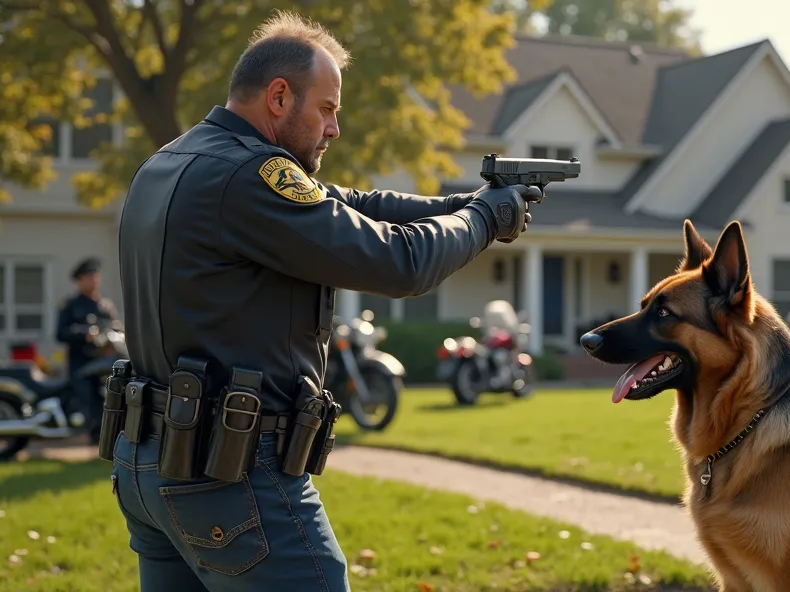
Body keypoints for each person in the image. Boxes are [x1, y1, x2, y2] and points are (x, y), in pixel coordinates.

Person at [107, 9, 542, 592]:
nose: (335, 128)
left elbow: (354, 204)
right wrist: (485, 220)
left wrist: (465, 203)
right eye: (328, 109)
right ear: (279, 97)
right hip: (231, 472)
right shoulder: (251, 177)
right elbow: (399, 262)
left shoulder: (169, 162)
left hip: (150, 462)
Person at [55, 257, 117, 441]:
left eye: (96, 276)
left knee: (107, 401)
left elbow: (117, 329)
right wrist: (84, 335)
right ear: (80, 280)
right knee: (88, 402)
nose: (94, 280)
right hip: (81, 364)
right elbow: (60, 334)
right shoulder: (70, 305)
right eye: (89, 276)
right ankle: (92, 438)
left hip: (105, 364)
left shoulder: (105, 306)